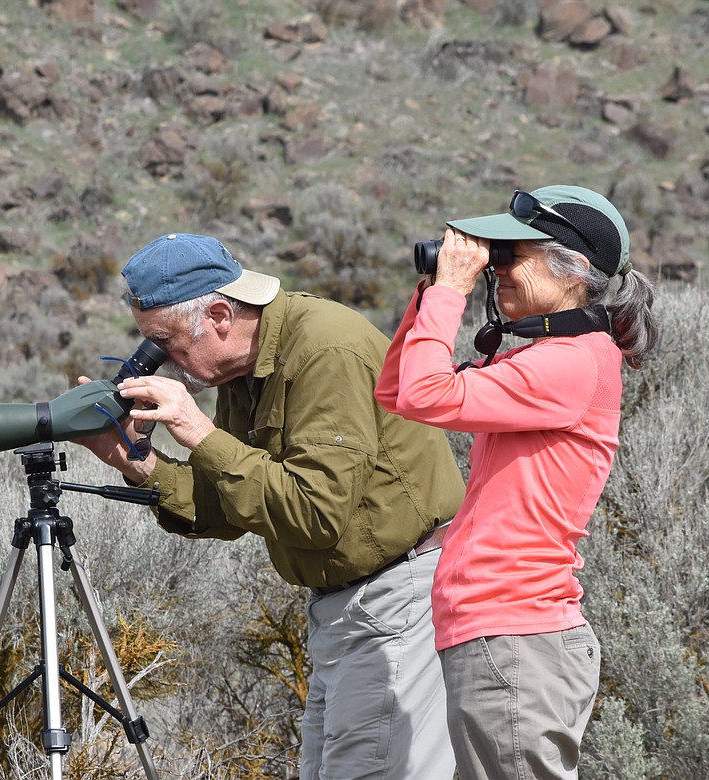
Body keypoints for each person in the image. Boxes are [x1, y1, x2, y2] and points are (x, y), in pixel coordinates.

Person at [74, 232, 466, 779]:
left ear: (218, 315)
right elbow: (227, 508)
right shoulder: (239, 367)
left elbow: (315, 513)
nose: (168, 363)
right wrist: (134, 461)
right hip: (344, 610)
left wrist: (195, 428)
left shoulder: (324, 350)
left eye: (168, 343)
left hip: (401, 600)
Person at [375, 185, 659, 779]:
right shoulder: (547, 355)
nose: (495, 267)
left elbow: (427, 394)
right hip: (502, 634)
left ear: (575, 269)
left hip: (516, 633)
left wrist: (453, 290)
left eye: (512, 254)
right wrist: (433, 292)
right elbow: (397, 391)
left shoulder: (572, 361)